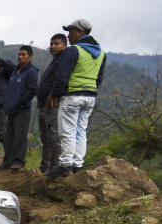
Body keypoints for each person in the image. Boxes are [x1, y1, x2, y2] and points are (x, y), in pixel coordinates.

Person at [47, 18, 107, 175]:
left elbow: (62, 75)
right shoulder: (101, 54)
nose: (68, 35)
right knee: (81, 131)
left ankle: (65, 165)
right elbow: (99, 78)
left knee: (67, 130)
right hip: (90, 97)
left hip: (72, 96)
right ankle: (77, 164)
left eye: (71, 31)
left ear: (81, 33)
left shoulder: (73, 50)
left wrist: (55, 94)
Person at [0, 45, 38, 169]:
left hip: (22, 109)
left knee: (19, 137)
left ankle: (18, 161)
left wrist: (20, 102)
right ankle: (7, 161)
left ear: (30, 57)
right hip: (11, 109)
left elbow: (32, 90)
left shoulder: (31, 71)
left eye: (23, 54)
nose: (20, 57)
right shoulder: (15, 71)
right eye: (19, 54)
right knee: (9, 137)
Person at [37, 34, 69, 174]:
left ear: (64, 45)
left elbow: (62, 79)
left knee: (54, 136)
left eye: (57, 44)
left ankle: (55, 167)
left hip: (52, 106)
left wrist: (54, 95)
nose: (53, 46)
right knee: (45, 137)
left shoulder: (63, 60)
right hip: (42, 105)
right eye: (51, 44)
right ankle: (45, 166)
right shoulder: (54, 61)